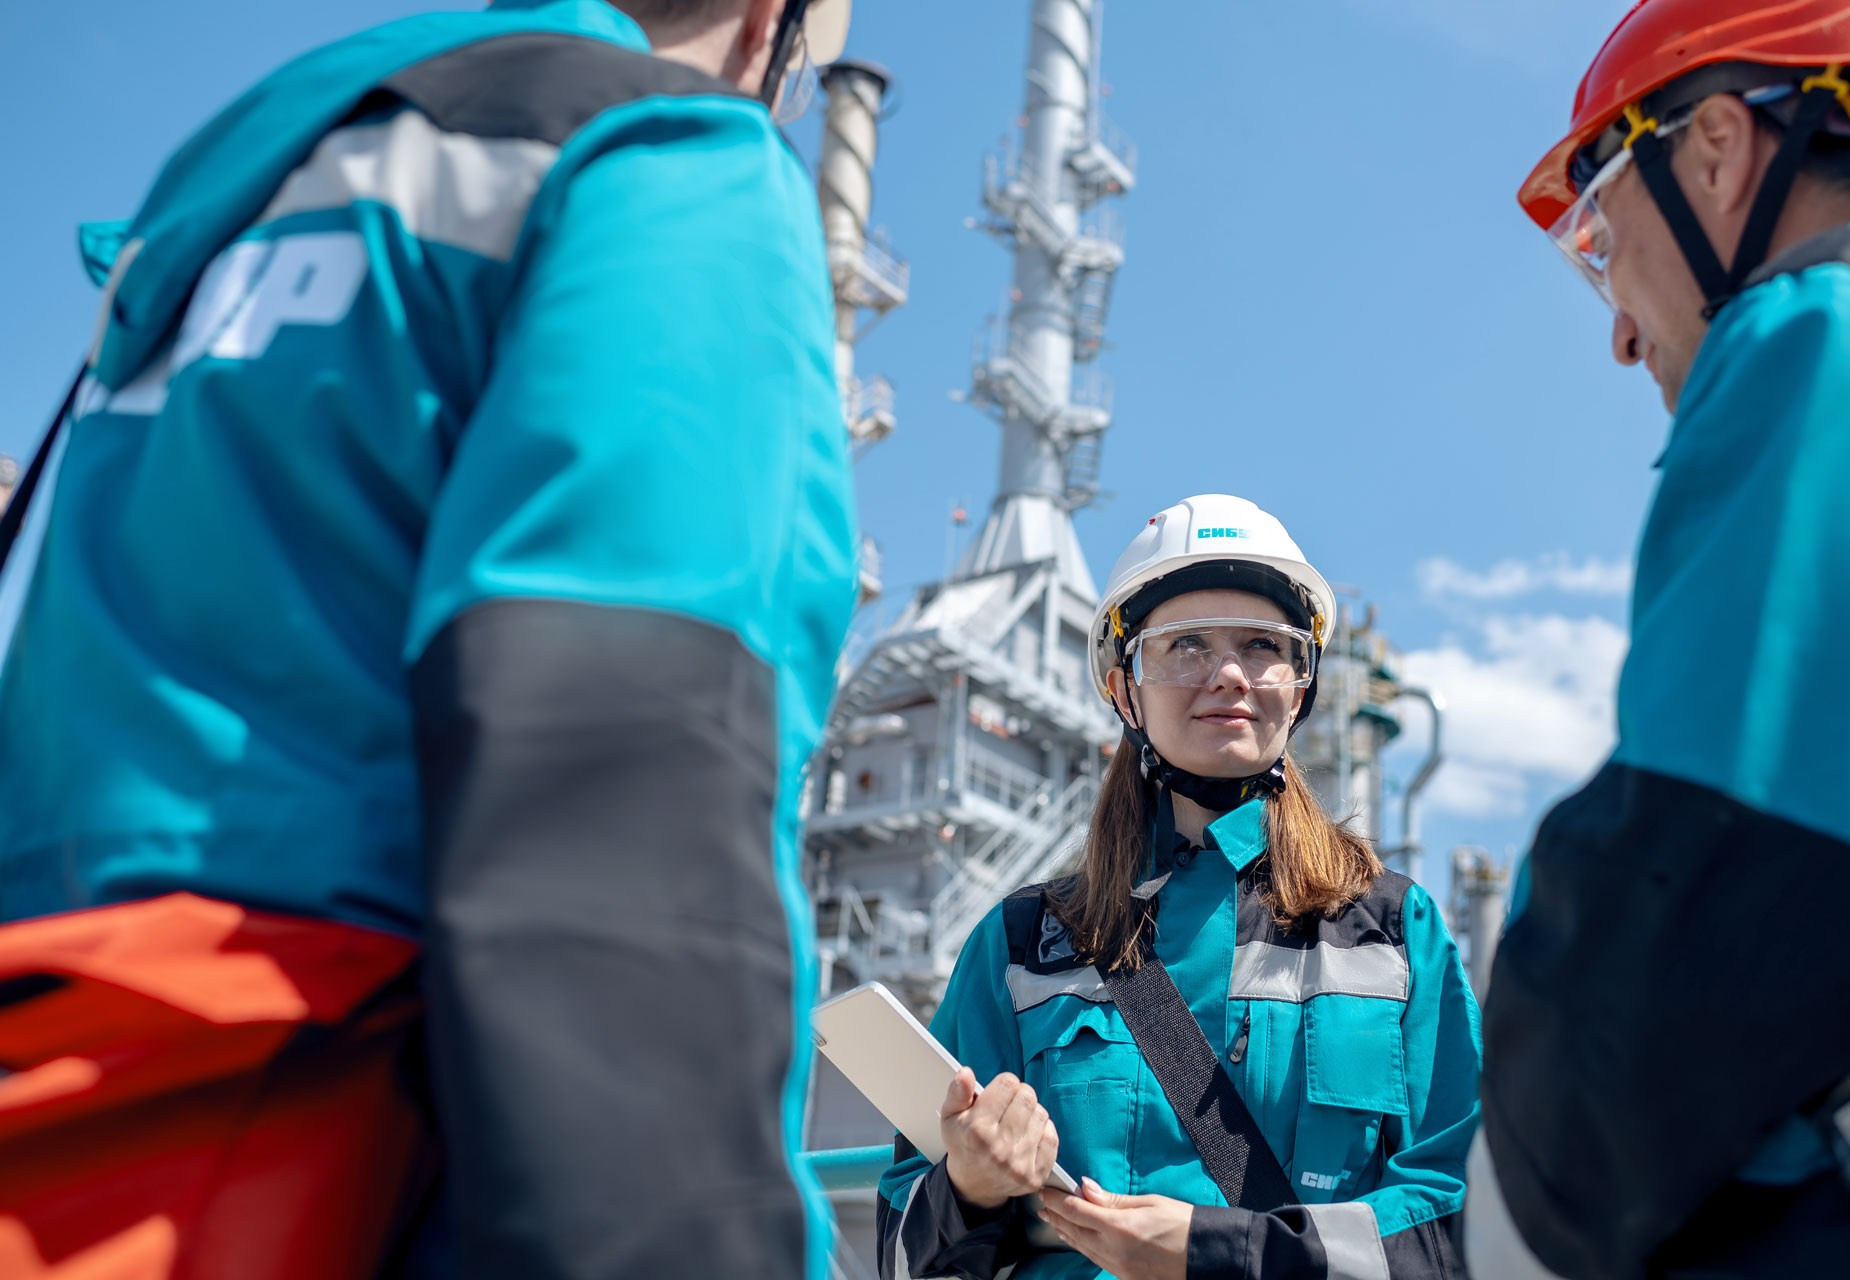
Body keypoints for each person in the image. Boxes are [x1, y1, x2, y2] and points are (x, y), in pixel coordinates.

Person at [0, 1, 857, 1276]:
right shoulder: (665, 163)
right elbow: (617, 789)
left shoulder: (230, 192)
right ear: (770, 23)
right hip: (324, 1151)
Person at [1471, 2, 1850, 1276]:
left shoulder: (1838, 330)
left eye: (1600, 237)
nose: (1617, 331)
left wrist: (1530, 1197)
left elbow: (1702, 900)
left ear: (1719, 149)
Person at [877, 494, 1482, 1280]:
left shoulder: (1394, 931)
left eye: (1264, 645)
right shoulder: (1022, 944)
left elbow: (1462, 1217)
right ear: (1123, 686)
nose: (1228, 674)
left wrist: (1219, 1253)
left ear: (1300, 685)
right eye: (1184, 644)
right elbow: (896, 1254)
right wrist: (968, 1187)